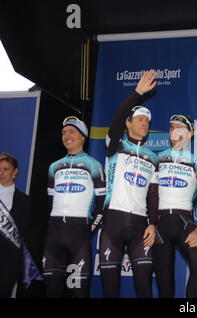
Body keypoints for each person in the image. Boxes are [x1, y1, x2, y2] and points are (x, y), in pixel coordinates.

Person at [99, 70, 159, 298]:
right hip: (113, 222)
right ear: (128, 123)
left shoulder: (152, 157)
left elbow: (154, 195)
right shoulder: (115, 146)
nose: (145, 123)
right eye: (140, 119)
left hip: (140, 227)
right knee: (110, 290)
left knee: (144, 288)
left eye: (147, 121)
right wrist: (137, 94)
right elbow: (115, 121)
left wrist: (152, 224)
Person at [148, 114, 197, 298]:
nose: (174, 131)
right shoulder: (158, 158)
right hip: (160, 225)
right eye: (171, 128)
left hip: (185, 222)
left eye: (180, 128)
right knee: (163, 279)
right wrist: (151, 223)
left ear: (190, 133)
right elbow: (152, 194)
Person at [43, 117, 106, 298]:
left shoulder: (94, 165)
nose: (66, 136)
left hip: (78, 233)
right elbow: (50, 201)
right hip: (54, 233)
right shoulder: (53, 167)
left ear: (83, 137)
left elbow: (102, 205)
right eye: (63, 133)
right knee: (52, 292)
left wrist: (89, 228)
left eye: (71, 132)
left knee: (78, 292)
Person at [0, 153, 33, 297]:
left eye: (6, 169)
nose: (1, 173)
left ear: (15, 172)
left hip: (10, 260)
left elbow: (25, 234)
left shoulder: (24, 201)